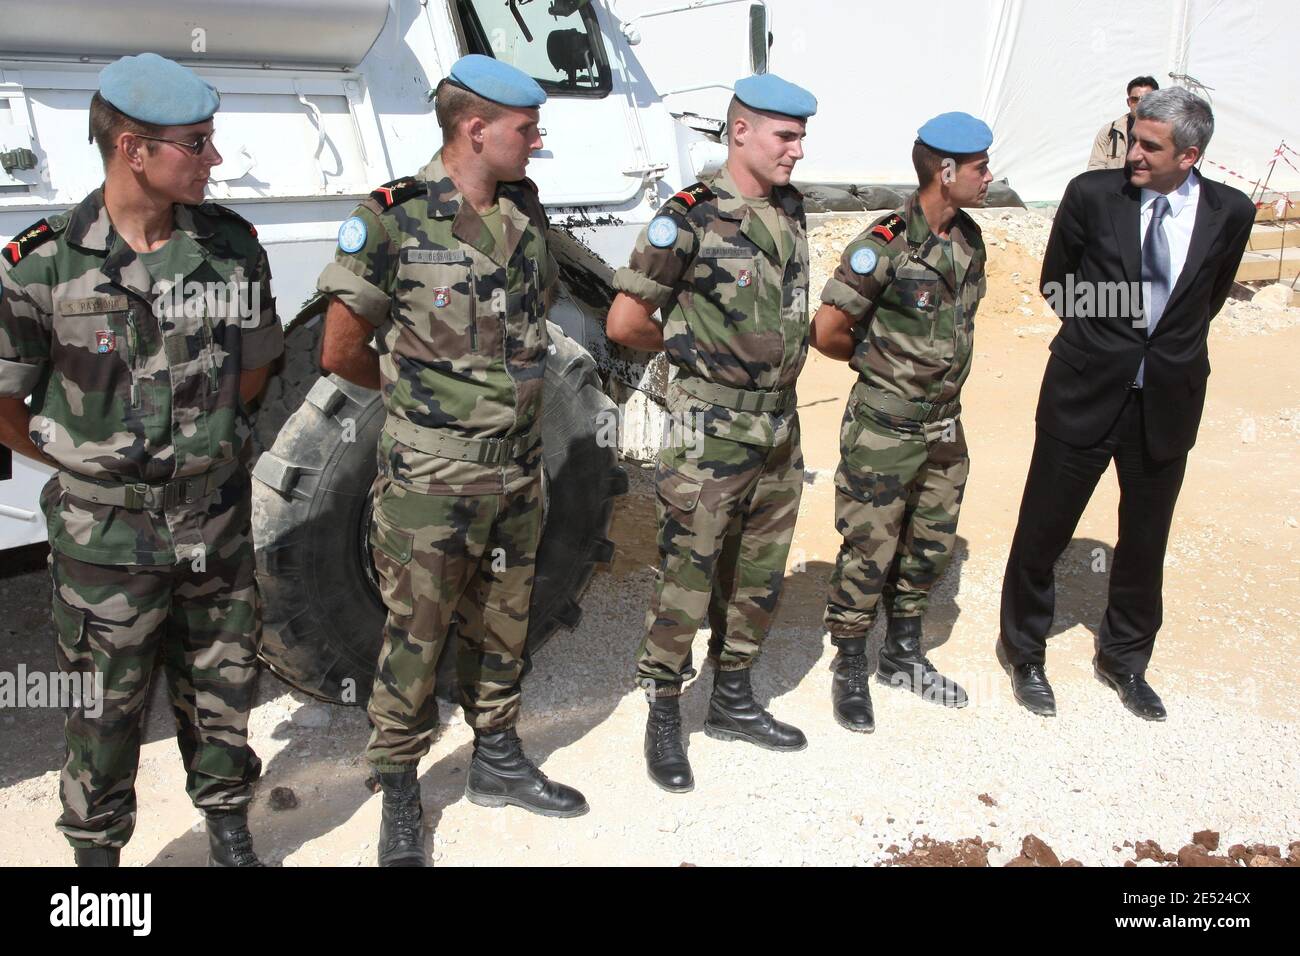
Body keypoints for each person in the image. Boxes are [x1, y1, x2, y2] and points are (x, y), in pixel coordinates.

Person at [0, 53, 283, 866]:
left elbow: (255, 368)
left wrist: (203, 448)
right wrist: (84, 466)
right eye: (196, 143)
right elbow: (6, 402)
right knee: (101, 708)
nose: (214, 159)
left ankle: (228, 824)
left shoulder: (229, 247)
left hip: (215, 521)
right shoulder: (44, 264)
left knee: (223, 680)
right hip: (104, 543)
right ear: (132, 148)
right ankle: (97, 863)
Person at [317, 54, 586, 867]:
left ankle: (497, 756)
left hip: (516, 471)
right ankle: (398, 785)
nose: (537, 143)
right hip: (432, 480)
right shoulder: (394, 218)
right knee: (417, 632)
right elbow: (340, 350)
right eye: (526, 129)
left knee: (504, 621)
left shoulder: (524, 216)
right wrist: (418, 407)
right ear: (476, 128)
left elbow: (530, 327)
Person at [1000, 87, 1255, 720]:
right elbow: (1057, 281)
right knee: (1043, 530)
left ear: (1189, 155)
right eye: (1133, 138)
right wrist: (1114, 332)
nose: (1132, 153)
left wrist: (1160, 348)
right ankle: (1025, 652)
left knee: (1145, 540)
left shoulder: (1232, 212)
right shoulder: (1092, 195)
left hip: (1167, 402)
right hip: (1084, 391)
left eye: (1149, 145)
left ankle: (1125, 660)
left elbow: (1209, 295)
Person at [606, 74, 816, 793]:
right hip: (710, 429)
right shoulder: (687, 216)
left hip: (779, 426)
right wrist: (696, 367)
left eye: (800, 135)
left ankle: (731, 699)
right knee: (687, 572)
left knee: (758, 570)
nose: (798, 148)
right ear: (739, 133)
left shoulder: (791, 209)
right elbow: (627, 322)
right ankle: (665, 710)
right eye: (785, 135)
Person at [810, 113, 993, 733]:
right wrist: (879, 367)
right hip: (886, 423)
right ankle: (851, 663)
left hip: (944, 423)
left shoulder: (970, 240)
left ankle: (903, 654)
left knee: (931, 538)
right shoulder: (884, 242)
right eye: (979, 166)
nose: (989, 177)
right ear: (946, 171)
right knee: (870, 544)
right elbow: (828, 331)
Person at [1087, 75, 1159, 171]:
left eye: (1146, 99)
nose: (1140, 103)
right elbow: (1095, 168)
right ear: (1128, 102)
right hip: (1116, 185)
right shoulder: (1109, 131)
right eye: (1135, 99)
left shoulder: (1168, 131)